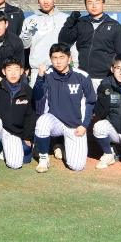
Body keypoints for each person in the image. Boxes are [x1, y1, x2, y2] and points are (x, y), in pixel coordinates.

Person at [32, 43, 96, 173]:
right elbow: (37, 96)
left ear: (69, 58)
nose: (58, 61)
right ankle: (44, 158)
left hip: (75, 126)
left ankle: (67, 148)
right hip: (55, 122)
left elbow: (90, 102)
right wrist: (40, 76)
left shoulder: (82, 76)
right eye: (54, 58)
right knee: (42, 122)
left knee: (77, 166)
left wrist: (84, 125)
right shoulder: (48, 73)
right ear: (51, 59)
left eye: (62, 57)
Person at [58, 0, 121, 92]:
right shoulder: (80, 23)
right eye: (90, 3)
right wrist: (70, 21)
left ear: (103, 4)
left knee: (103, 102)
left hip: (105, 77)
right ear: (86, 5)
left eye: (97, 2)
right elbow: (63, 41)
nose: (94, 6)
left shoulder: (115, 26)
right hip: (83, 74)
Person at [0, 56, 38, 171]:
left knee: (15, 164)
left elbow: (30, 115)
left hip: (13, 132)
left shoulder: (27, 90)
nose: (13, 73)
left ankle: (4, 149)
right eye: (9, 69)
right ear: (4, 71)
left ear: (22, 71)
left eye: (16, 69)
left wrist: (27, 138)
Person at [21, 0, 78, 87]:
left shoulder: (65, 19)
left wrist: (76, 65)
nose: (45, 1)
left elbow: (72, 44)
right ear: (38, 0)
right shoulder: (29, 20)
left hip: (61, 69)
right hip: (38, 69)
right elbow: (25, 45)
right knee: (38, 97)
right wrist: (28, 31)